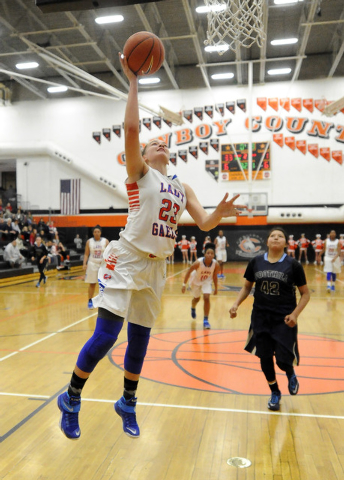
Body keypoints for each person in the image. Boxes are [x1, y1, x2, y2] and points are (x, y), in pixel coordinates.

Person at [57, 51, 246, 442]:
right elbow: (130, 130)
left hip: (157, 267)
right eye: (152, 143)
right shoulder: (139, 175)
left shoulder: (182, 187)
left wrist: (220, 213)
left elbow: (205, 224)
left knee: (140, 344)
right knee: (107, 337)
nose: (158, 144)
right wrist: (133, 81)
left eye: (162, 143)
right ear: (141, 156)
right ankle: (71, 399)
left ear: (169, 155)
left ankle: (127, 403)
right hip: (125, 260)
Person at [229, 227, 310, 412]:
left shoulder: (293, 265)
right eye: (272, 236)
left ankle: (290, 373)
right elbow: (247, 287)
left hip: (283, 319)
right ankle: (275, 391)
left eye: (280, 236)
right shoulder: (256, 262)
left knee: (282, 360)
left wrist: (295, 314)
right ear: (267, 241)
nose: (275, 238)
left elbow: (305, 294)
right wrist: (236, 304)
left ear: (285, 243)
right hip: (260, 317)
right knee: (264, 357)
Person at [181, 243, 219, 329]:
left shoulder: (216, 264)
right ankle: (193, 307)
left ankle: (206, 320)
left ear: (214, 255)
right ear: (204, 254)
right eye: (208, 253)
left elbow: (214, 277)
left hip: (206, 281)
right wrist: (184, 284)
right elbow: (188, 272)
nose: (209, 255)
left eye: (211, 253)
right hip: (196, 280)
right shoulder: (198, 262)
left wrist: (216, 288)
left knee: (206, 297)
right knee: (196, 299)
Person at [83, 225, 109, 308]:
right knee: (92, 283)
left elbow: (109, 253)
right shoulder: (89, 241)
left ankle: (104, 302)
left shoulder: (105, 241)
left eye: (98, 232)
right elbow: (86, 254)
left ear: (100, 232)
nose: (96, 233)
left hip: (103, 265)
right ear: (93, 233)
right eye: (95, 232)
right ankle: (90, 301)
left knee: (104, 284)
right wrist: (84, 263)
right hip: (92, 263)